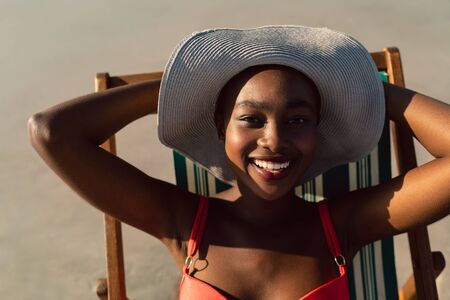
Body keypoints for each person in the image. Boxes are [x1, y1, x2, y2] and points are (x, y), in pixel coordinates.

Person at [28, 26, 450, 299]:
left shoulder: (342, 226)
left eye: (298, 119)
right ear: (219, 125)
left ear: (318, 129)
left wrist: (368, 92)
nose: (274, 140)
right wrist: (177, 89)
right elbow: (50, 132)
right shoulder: (183, 222)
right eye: (250, 118)